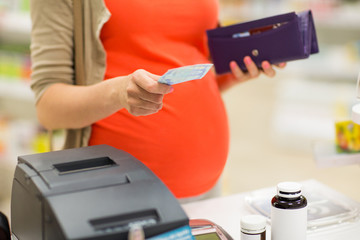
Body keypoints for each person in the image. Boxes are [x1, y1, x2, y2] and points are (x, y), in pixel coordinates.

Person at [29, 0, 285, 201]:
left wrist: (236, 73)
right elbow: (47, 106)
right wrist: (119, 92)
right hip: (118, 193)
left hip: (208, 187)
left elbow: (193, 68)